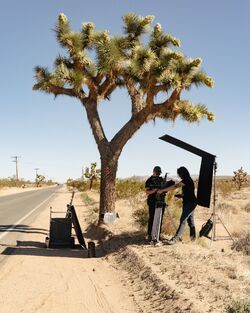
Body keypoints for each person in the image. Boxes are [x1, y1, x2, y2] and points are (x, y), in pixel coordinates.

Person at [157, 166, 197, 245]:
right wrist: (181, 195)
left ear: (182, 173)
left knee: (183, 220)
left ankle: (175, 239)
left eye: (179, 174)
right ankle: (193, 239)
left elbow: (175, 186)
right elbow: (188, 192)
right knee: (191, 222)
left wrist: (162, 190)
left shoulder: (187, 180)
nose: (179, 176)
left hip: (190, 203)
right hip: (190, 202)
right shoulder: (188, 180)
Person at [145, 166, 166, 243]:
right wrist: (155, 190)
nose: (158, 174)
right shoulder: (149, 180)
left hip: (161, 201)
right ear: (153, 171)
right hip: (152, 202)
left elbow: (165, 189)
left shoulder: (161, 180)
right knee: (152, 218)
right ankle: (150, 234)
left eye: (159, 173)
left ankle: (157, 235)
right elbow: (147, 192)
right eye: (157, 173)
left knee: (160, 219)